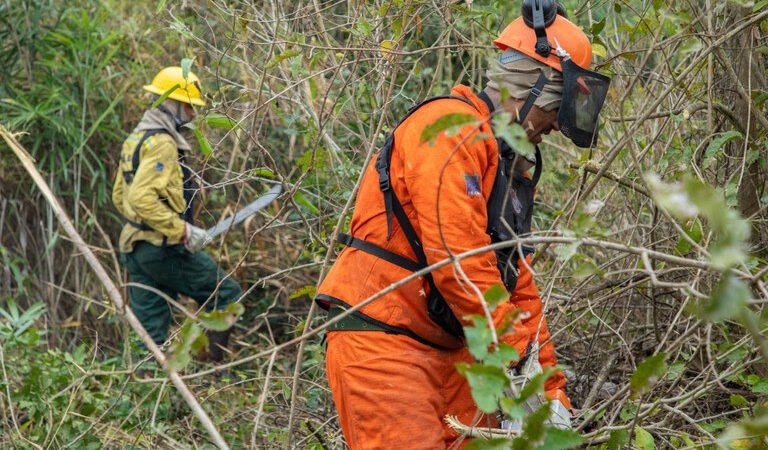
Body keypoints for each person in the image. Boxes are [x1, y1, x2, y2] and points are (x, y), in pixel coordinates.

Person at [315, 0, 610, 448]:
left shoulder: (505, 162)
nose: (552, 129)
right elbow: (457, 259)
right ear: (535, 90)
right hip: (385, 341)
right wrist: (513, 350)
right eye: (553, 114)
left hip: (455, 349)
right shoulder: (450, 130)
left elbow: (516, 281)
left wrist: (549, 392)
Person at [112, 66, 243, 362]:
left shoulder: (137, 138)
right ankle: (214, 373)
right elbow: (140, 197)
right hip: (163, 249)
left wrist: (146, 226)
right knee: (226, 296)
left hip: (136, 247)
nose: (193, 115)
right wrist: (179, 230)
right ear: (171, 103)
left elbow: (120, 196)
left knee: (150, 336)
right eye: (189, 106)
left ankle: (147, 392)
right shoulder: (162, 144)